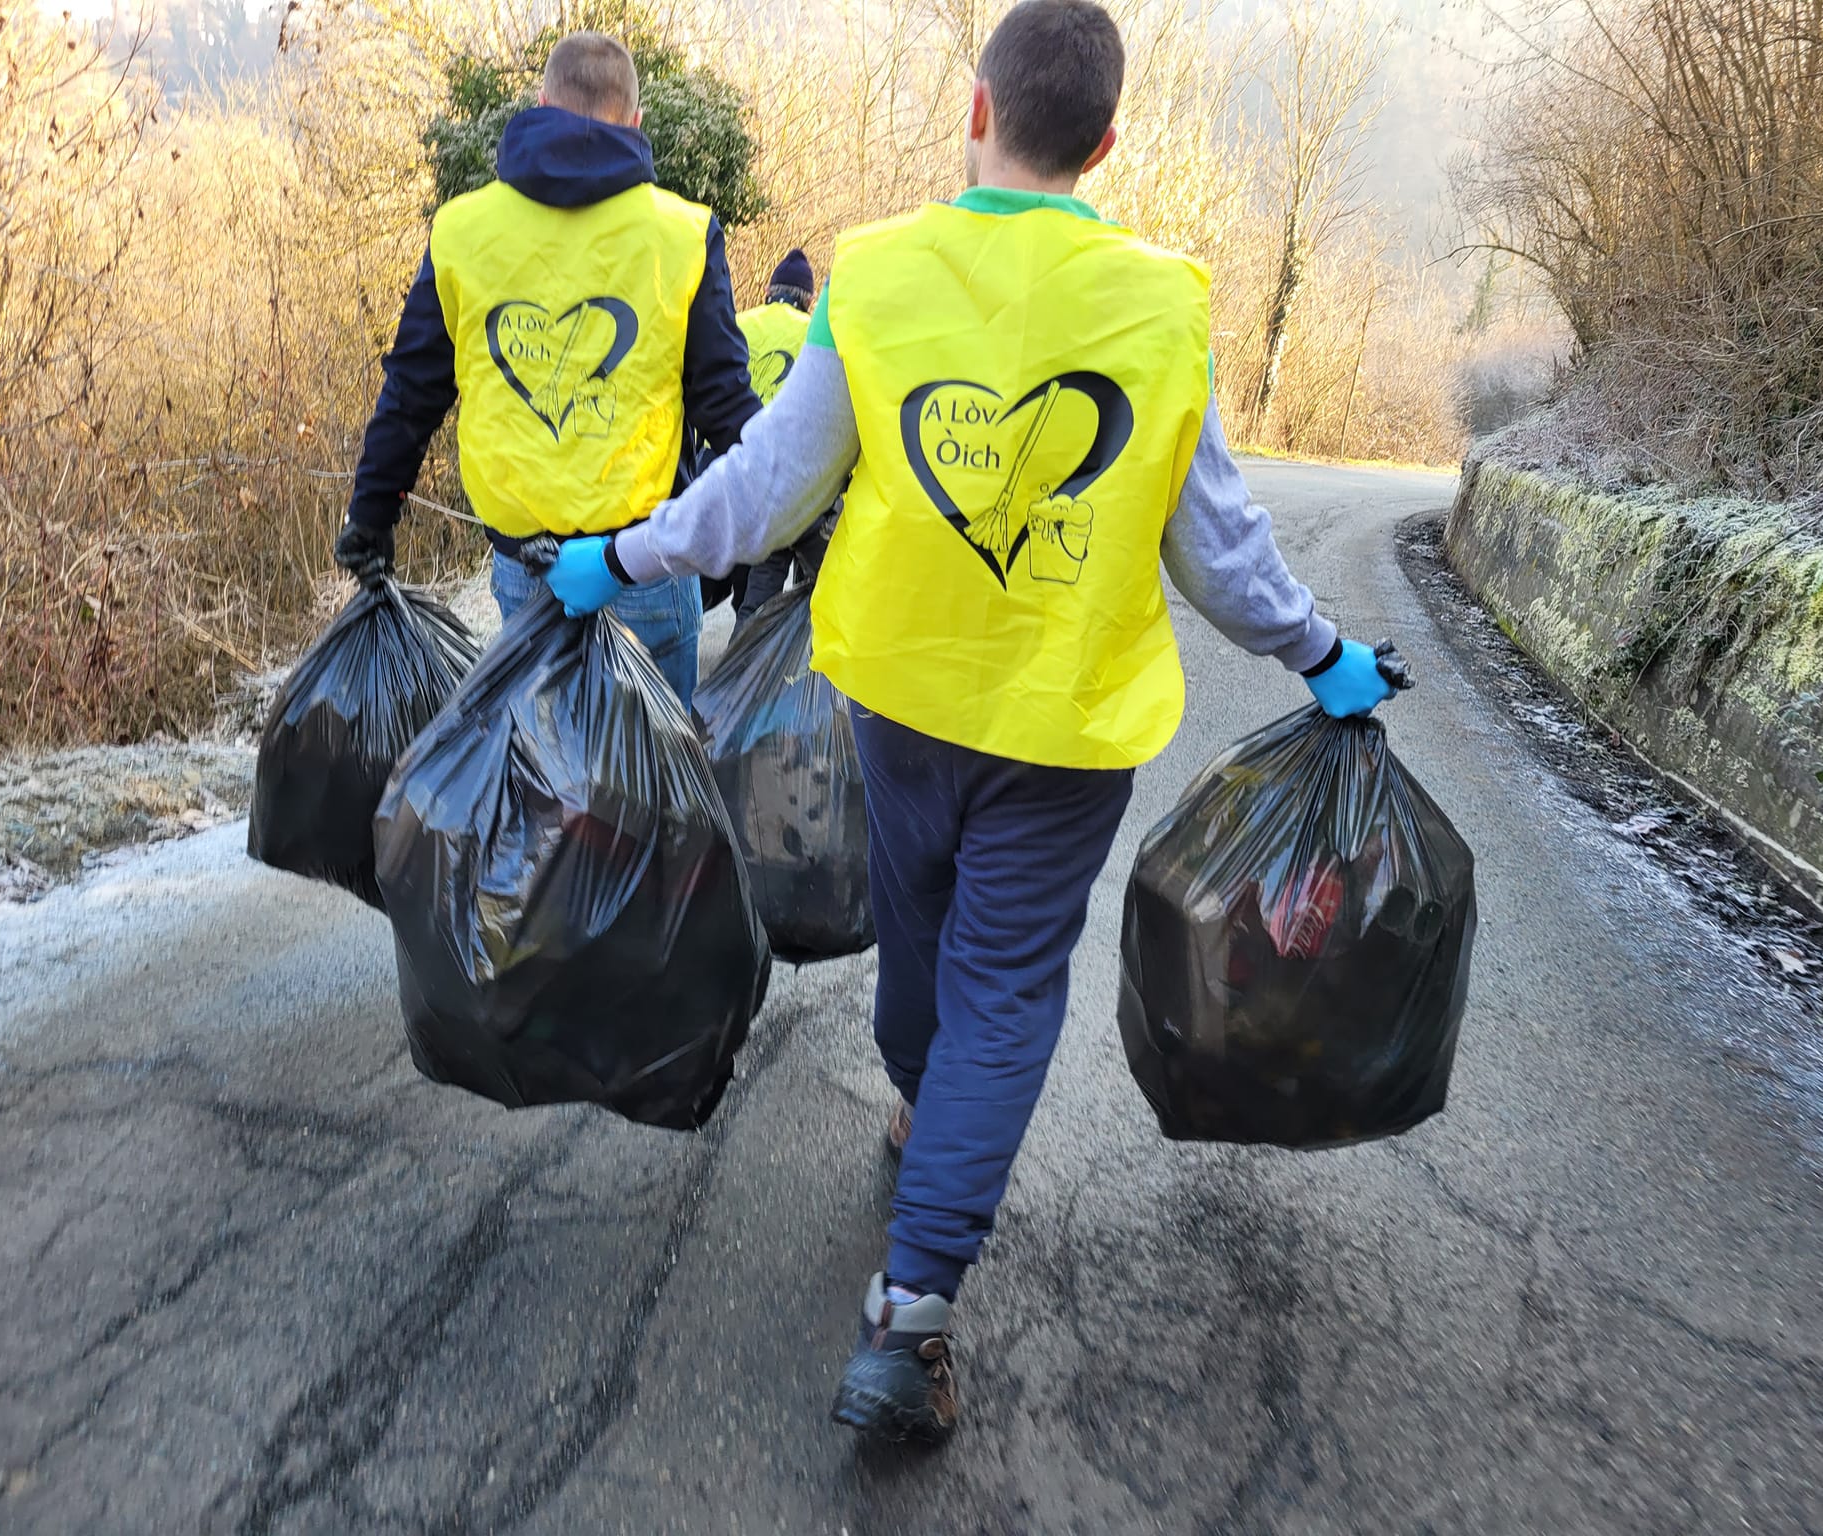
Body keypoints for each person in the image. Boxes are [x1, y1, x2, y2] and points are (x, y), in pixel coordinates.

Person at [545, 0, 1404, 1442]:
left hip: (899, 694)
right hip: (1069, 728)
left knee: (917, 921)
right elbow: (1219, 548)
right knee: (1002, 987)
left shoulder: (879, 278)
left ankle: (913, 1115)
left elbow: (766, 492)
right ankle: (912, 1316)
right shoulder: (1159, 303)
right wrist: (1323, 657)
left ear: (975, 113)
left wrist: (622, 555)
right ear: (1109, 141)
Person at [331, 31, 760, 707]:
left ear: (541, 103)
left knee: (541, 785)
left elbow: (413, 391)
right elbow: (724, 406)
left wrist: (371, 515)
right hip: (643, 568)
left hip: (528, 574)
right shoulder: (680, 233)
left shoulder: (462, 231)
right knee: (654, 797)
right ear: (636, 121)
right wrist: (793, 512)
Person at [730, 248, 838, 630]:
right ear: (809, 300)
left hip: (745, 477)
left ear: (767, 289)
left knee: (755, 596)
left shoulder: (737, 324)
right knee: (831, 588)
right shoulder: (817, 332)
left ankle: (737, 674)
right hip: (804, 485)